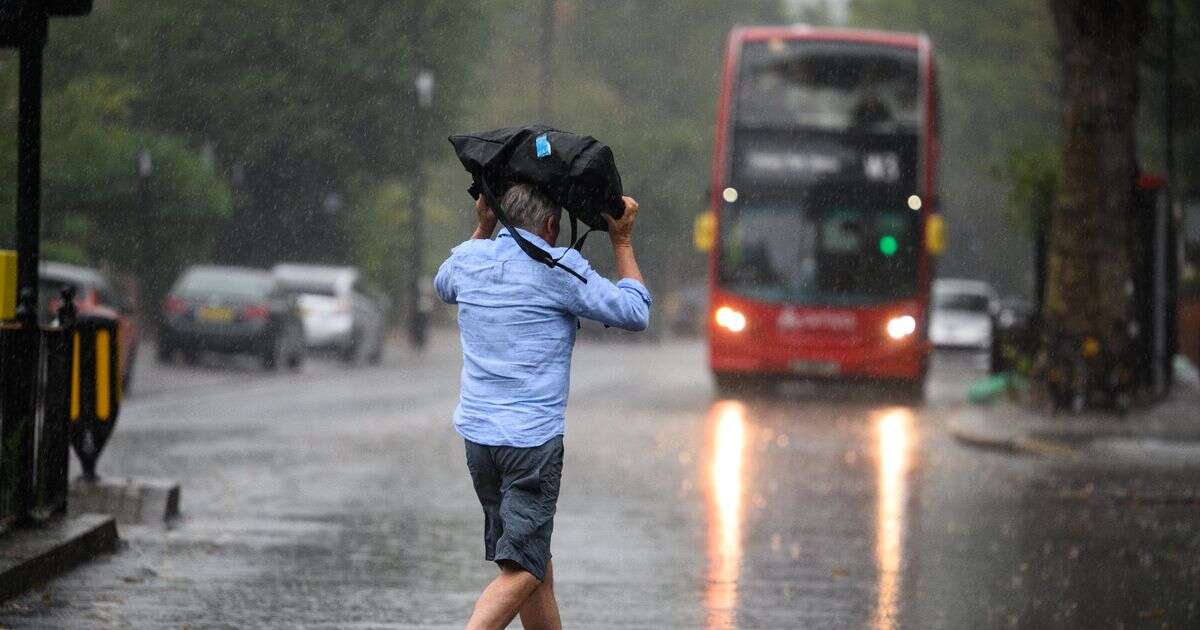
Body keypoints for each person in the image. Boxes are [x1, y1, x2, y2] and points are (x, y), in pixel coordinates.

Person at [434, 183, 651, 630]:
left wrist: (483, 225)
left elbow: (443, 286)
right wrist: (622, 241)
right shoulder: (558, 267)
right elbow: (634, 311)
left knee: (536, 569)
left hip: (480, 442)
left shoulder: (469, 260)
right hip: (530, 445)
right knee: (525, 569)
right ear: (551, 225)